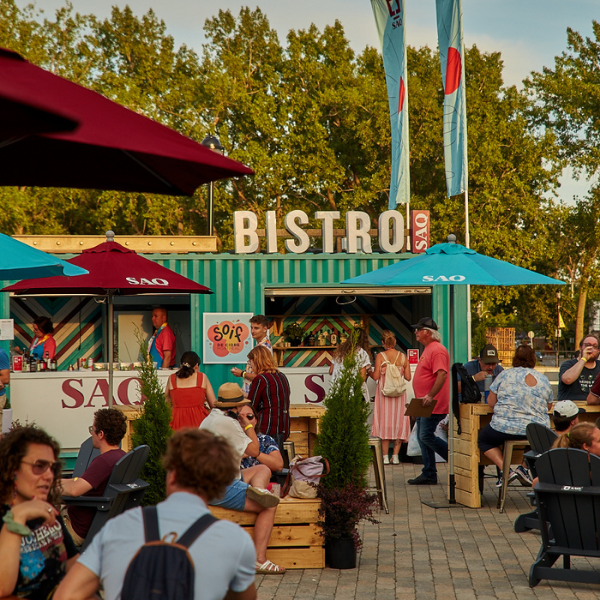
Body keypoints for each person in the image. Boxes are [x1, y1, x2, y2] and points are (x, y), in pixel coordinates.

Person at [54, 429, 257, 600]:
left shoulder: (119, 527)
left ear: (171, 474)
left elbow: (66, 595)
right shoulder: (235, 540)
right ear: (218, 486)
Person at [200, 382, 285, 574]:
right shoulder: (229, 422)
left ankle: (259, 491)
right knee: (269, 505)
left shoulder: (211, 418)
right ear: (236, 407)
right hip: (218, 486)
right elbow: (254, 450)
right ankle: (259, 560)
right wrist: (246, 424)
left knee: (262, 468)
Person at [0, 426, 79, 600]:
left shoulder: (47, 510)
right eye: (39, 466)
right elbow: (3, 589)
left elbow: (74, 565)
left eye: (52, 468)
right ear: (12, 468)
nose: (49, 475)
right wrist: (17, 517)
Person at [478, 344, 552, 487]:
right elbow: (548, 406)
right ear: (533, 359)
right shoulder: (543, 379)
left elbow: (491, 402)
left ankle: (505, 470)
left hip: (504, 428)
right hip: (534, 430)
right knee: (537, 442)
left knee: (483, 440)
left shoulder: (504, 375)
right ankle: (523, 468)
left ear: (515, 359)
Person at [60, 408, 127, 545]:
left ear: (101, 434)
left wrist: (44, 489)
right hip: (92, 523)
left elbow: (74, 490)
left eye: (93, 429)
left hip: (74, 528)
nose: (91, 434)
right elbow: (81, 481)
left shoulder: (103, 462)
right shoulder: (120, 456)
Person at [408, 317, 449, 485]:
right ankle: (429, 473)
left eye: (418, 329)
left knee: (425, 435)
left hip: (432, 403)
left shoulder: (437, 350)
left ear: (427, 332)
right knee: (422, 436)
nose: (416, 332)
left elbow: (442, 374)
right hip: (424, 403)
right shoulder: (429, 349)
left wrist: (430, 395)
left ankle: (456, 460)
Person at [370, 330, 411, 465]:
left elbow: (376, 376)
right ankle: (396, 456)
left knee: (385, 422)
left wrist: (369, 372)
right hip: (399, 395)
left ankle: (385, 457)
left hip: (384, 395)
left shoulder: (380, 356)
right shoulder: (403, 357)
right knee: (398, 422)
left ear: (383, 342)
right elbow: (408, 377)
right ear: (395, 342)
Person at [247, 345, 291, 449]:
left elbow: (251, 407)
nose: (250, 365)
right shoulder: (282, 376)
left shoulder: (260, 379)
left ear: (256, 361)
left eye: (250, 362)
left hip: (266, 429)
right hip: (283, 428)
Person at [164, 350, 217, 430]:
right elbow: (213, 405)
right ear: (196, 366)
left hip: (176, 423)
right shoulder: (202, 377)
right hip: (199, 422)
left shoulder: (172, 378)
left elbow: (165, 405)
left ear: (181, 365)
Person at [231, 314, 272, 395]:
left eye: (256, 328)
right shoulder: (260, 345)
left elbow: (262, 377)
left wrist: (242, 373)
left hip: (255, 395)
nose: (252, 331)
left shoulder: (263, 348)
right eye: (251, 328)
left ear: (265, 329)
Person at [329, 327, 372, 403]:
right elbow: (362, 378)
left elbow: (330, 371)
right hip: (354, 392)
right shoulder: (361, 353)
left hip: (337, 390)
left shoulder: (339, 352)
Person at [239, 404, 285, 473]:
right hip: (235, 477)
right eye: (240, 417)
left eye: (249, 416)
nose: (245, 421)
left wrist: (254, 453)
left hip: (263, 477)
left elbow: (279, 465)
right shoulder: (227, 440)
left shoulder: (265, 440)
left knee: (263, 469)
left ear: (256, 421)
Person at [558, 335, 600, 400]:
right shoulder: (568, 364)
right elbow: (567, 379)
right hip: (571, 404)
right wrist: (584, 359)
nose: (591, 349)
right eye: (588, 345)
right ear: (580, 348)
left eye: (595, 346)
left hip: (593, 405)